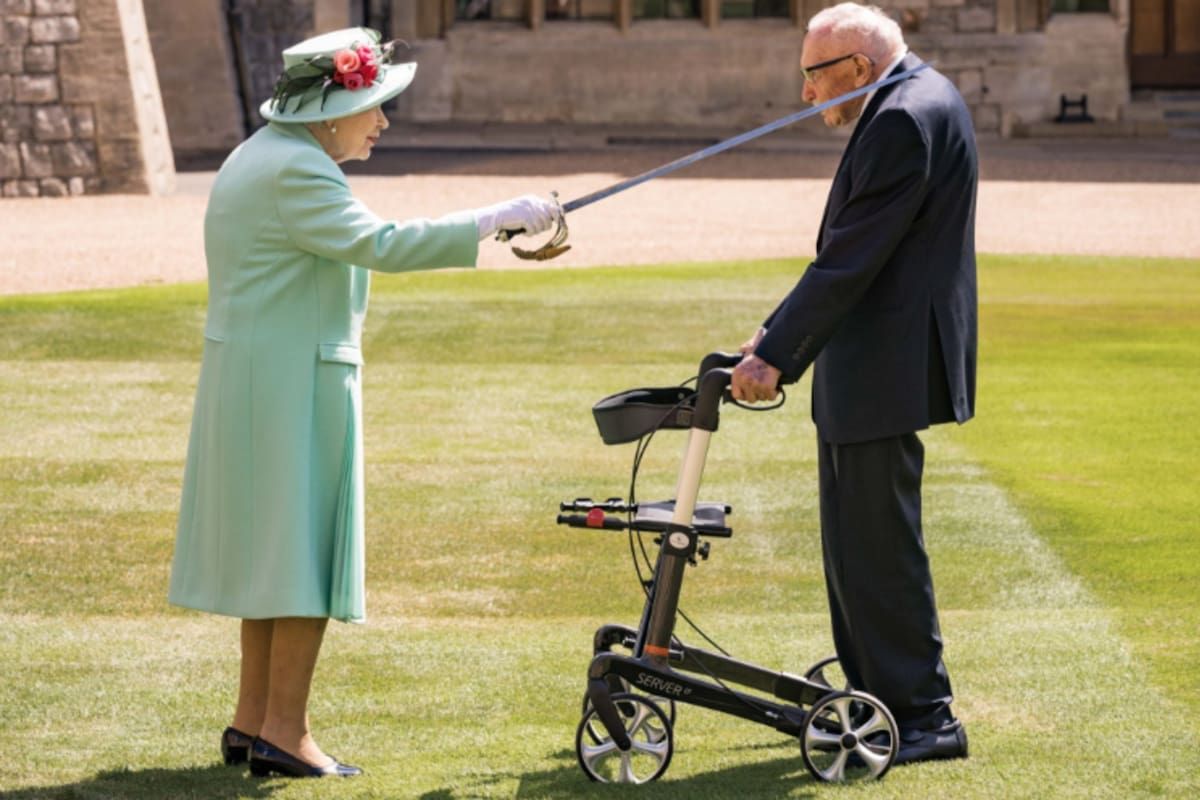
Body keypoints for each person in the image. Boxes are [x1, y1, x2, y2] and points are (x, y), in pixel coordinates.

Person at [167, 27, 559, 779]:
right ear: (328, 109)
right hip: (292, 385)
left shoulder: (261, 154)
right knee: (305, 558)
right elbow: (381, 243)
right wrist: (493, 219)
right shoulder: (298, 171)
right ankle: (285, 732)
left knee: (273, 562)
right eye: (373, 105)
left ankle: (253, 723)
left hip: (259, 381)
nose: (381, 123)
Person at [730, 2, 976, 766]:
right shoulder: (913, 97)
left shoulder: (904, 117)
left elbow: (852, 257)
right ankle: (879, 692)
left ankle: (925, 717)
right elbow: (852, 250)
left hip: (885, 363)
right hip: (873, 359)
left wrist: (774, 355)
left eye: (814, 76)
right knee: (856, 545)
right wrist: (769, 336)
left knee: (878, 547)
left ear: (858, 70)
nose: (806, 95)